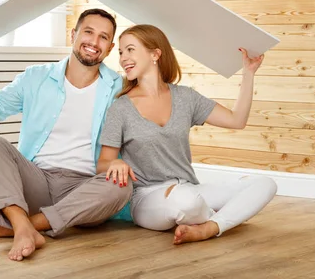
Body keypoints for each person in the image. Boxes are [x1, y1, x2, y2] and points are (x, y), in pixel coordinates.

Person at [0, 9, 132, 261]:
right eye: (88, 32)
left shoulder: (120, 88)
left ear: (110, 47)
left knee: (121, 186)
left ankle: (16, 227)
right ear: (73, 34)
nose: (94, 42)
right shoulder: (35, 77)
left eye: (103, 37)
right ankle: (20, 222)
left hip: (84, 190)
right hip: (36, 181)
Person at [97, 24, 277, 245]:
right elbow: (103, 162)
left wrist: (248, 74)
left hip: (190, 186)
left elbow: (236, 120)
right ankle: (223, 216)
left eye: (130, 49)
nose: (124, 58)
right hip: (147, 197)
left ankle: (211, 227)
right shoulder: (121, 108)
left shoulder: (186, 98)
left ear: (155, 54)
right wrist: (114, 164)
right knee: (187, 203)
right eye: (121, 52)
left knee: (265, 184)